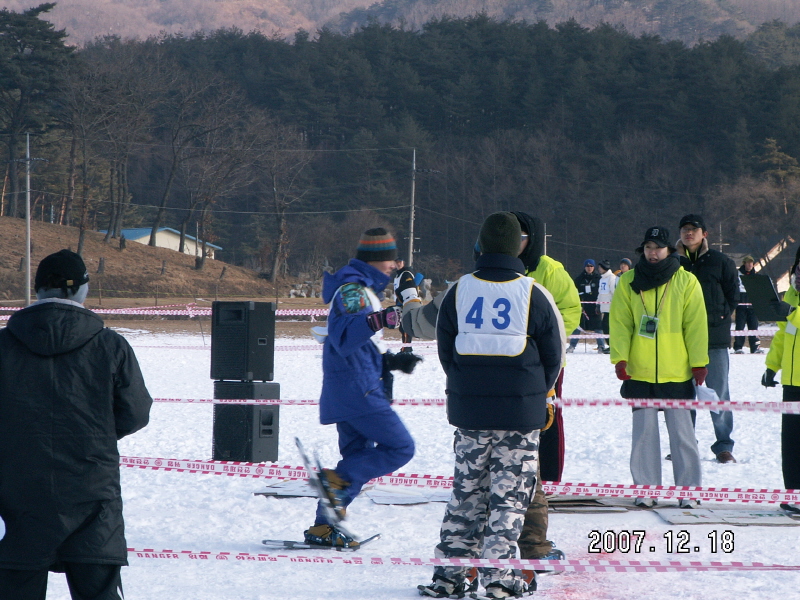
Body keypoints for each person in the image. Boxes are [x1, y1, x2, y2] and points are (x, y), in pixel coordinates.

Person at [418, 212, 563, 599]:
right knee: (510, 499)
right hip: (519, 417)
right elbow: (554, 356)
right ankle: (499, 578)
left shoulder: (458, 291)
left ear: (480, 246)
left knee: (466, 494)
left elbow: (446, 350)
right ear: (519, 246)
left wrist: (467, 387)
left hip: (470, 415)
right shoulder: (534, 292)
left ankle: (450, 574)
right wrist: (532, 393)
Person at [0, 249, 152, 600]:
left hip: (15, 493)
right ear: (81, 290)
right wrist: (94, 434)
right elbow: (135, 412)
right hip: (92, 494)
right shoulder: (111, 345)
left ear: (37, 289)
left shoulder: (4, 345)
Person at [304, 228, 420, 548]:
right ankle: (334, 485)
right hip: (359, 390)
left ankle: (323, 527)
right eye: (391, 259)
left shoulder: (362, 287)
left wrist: (392, 362)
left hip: (352, 386)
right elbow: (344, 337)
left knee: (356, 457)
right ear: (375, 260)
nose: (396, 265)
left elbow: (359, 344)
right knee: (400, 447)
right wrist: (383, 318)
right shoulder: (352, 290)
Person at [610, 227, 707, 508]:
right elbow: (620, 324)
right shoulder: (628, 281)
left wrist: (699, 362)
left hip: (677, 371)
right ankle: (646, 490)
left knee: (683, 436)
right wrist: (620, 358)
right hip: (639, 371)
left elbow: (696, 326)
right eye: (649, 247)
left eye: (659, 248)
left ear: (669, 250)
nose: (654, 253)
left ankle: (689, 492)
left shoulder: (686, 281)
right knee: (643, 436)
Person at [676, 214, 740, 464]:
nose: (688, 233)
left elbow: (732, 294)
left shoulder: (721, 261)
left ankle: (724, 446)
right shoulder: (673, 261)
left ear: (705, 234)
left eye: (694, 229)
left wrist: (720, 314)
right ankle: (684, 442)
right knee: (682, 393)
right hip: (679, 339)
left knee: (718, 391)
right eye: (684, 229)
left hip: (714, 337)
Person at [761, 247, 800, 516]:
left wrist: (792, 312)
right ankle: (794, 495)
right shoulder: (793, 296)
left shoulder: (793, 305)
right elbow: (783, 337)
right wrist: (771, 367)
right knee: (792, 444)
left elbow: (793, 320)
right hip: (792, 382)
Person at [567, 259, 604, 353]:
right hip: (582, 307)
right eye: (587, 266)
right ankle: (572, 346)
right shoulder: (579, 279)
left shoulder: (598, 278)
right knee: (578, 326)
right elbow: (574, 292)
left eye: (591, 266)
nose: (589, 268)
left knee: (598, 327)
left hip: (595, 306)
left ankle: (601, 346)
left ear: (594, 267)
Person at [734, 255, 763, 354]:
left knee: (754, 326)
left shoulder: (755, 275)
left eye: (751, 263)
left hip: (752, 305)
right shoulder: (737, 274)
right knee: (740, 326)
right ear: (744, 263)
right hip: (741, 304)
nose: (750, 264)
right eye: (748, 262)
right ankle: (738, 347)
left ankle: (755, 347)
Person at [597, 259, 617, 355]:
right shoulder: (601, 279)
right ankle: (610, 346)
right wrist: (598, 304)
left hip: (611, 307)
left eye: (600, 267)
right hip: (604, 307)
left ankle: (612, 346)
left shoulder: (611, 278)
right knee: (604, 326)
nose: (599, 269)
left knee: (607, 326)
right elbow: (600, 293)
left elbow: (614, 292)